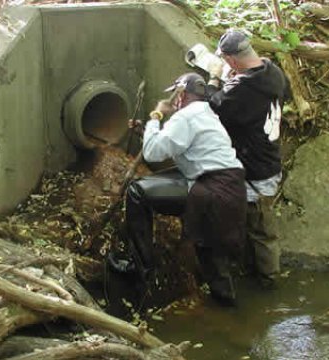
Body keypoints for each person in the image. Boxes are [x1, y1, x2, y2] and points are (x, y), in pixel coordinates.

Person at [113, 72, 247, 304]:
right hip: (230, 188)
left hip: (211, 191)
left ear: (182, 95)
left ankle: (139, 267)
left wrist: (156, 116)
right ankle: (230, 318)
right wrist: (147, 131)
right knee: (212, 257)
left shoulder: (184, 117)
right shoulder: (205, 114)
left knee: (137, 192)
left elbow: (153, 153)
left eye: (176, 95)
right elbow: (174, 144)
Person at [207, 29, 290, 289]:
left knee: (262, 231)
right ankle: (256, 273)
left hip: (256, 170)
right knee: (256, 226)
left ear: (231, 61)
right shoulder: (272, 71)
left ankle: (268, 282)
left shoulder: (243, 88)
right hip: (269, 158)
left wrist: (213, 79)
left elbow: (216, 106)